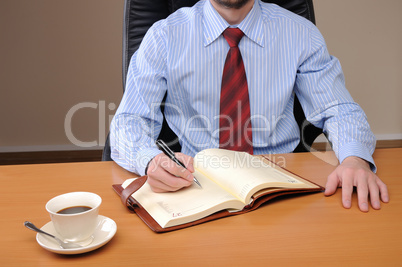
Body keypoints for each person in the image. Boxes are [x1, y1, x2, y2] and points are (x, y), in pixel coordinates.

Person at [110, 0, 389, 212]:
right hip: (195, 183)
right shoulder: (164, 37)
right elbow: (129, 121)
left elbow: (340, 109)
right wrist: (150, 160)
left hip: (280, 182)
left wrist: (354, 158)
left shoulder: (300, 34)